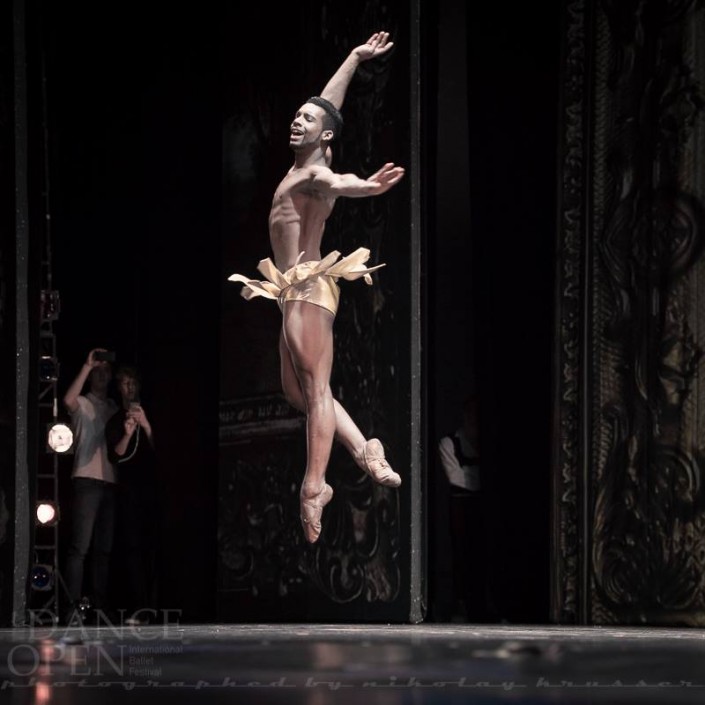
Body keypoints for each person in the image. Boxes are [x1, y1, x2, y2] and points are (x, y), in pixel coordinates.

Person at [229, 31, 404, 543]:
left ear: (323, 137)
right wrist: (354, 57)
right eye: (296, 116)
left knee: (315, 391)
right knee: (297, 392)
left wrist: (365, 186)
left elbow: (337, 182)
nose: (297, 121)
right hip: (292, 292)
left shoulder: (314, 176)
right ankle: (365, 449)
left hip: (307, 289)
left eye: (306, 120)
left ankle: (313, 488)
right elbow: (329, 105)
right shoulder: (301, 165)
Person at [62, 348, 119, 623]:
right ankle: (73, 605)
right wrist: (86, 366)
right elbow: (67, 400)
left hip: (110, 482)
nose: (102, 376)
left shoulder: (114, 408)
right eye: (98, 371)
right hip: (86, 479)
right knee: (80, 548)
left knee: (103, 550)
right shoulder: (83, 403)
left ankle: (99, 604)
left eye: (106, 372)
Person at [105, 364, 159, 625]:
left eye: (133, 383)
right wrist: (127, 434)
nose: (130, 388)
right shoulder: (115, 421)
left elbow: (162, 448)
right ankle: (139, 606)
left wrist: (146, 425)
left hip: (153, 488)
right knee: (132, 547)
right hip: (129, 490)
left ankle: (155, 606)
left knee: (153, 546)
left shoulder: (150, 414)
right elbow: (115, 456)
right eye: (125, 383)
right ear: (119, 388)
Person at [437, 394, 490, 622]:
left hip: (483, 510)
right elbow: (456, 478)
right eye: (470, 414)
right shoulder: (450, 443)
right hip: (460, 509)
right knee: (460, 557)